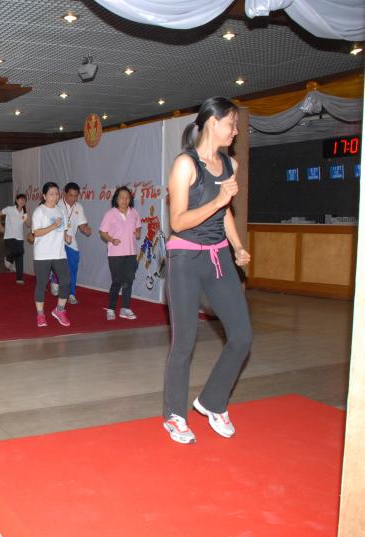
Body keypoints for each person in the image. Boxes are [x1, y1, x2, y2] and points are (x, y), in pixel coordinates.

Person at [162, 97, 252, 444]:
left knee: (242, 336)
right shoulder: (185, 165)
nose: (235, 130)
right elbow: (178, 221)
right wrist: (217, 200)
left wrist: (237, 246)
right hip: (185, 258)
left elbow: (224, 213)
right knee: (184, 341)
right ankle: (174, 415)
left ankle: (213, 401)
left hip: (219, 257)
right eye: (231, 123)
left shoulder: (230, 164)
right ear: (213, 123)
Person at [32, 182, 72, 328]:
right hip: (42, 254)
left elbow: (64, 230)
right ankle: (40, 315)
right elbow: (36, 232)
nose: (55, 196)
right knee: (42, 284)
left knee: (66, 281)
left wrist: (66, 237)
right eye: (51, 194)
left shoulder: (61, 211)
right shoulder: (39, 211)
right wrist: (53, 225)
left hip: (59, 253)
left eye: (56, 193)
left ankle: (59, 310)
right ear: (44, 196)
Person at [99, 186, 142, 320]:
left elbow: (138, 228)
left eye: (127, 197)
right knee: (117, 281)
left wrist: (138, 232)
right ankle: (111, 308)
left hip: (131, 252)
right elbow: (103, 232)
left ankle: (125, 308)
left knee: (128, 281)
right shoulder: (110, 214)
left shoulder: (134, 212)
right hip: (115, 253)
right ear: (116, 199)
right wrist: (112, 239)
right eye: (122, 197)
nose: (124, 200)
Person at [58, 182, 93, 304]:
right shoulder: (56, 204)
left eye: (76, 196)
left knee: (72, 268)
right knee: (57, 265)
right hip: (56, 242)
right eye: (70, 195)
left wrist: (86, 229)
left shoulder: (79, 207)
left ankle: (71, 294)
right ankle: (54, 279)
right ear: (64, 193)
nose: (73, 199)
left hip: (71, 241)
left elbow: (82, 224)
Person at [0, 193, 29, 285]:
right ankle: (9, 258)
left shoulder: (24, 212)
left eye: (24, 200)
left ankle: (19, 278)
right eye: (20, 199)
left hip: (20, 238)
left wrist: (27, 215)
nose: (22, 201)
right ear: (16, 200)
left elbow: (28, 224)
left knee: (20, 256)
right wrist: (0, 226)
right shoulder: (9, 209)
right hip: (9, 236)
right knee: (19, 251)